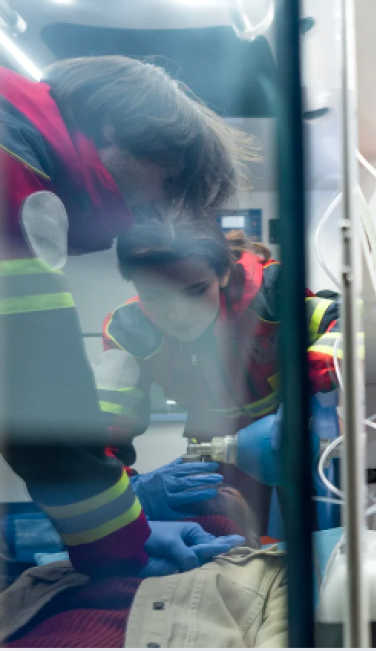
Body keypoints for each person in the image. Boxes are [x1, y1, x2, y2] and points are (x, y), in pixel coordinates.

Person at [0, 55, 254, 579]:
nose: (157, 209)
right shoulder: (12, 162)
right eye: (171, 179)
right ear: (116, 128)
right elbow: (39, 387)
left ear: (225, 277)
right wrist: (124, 530)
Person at [95, 219, 341, 531]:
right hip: (212, 440)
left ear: (223, 273)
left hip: (295, 429)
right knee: (227, 539)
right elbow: (104, 431)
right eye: (155, 297)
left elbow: (345, 323)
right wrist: (127, 490)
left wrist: (307, 385)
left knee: (314, 535)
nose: (178, 314)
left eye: (195, 291)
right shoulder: (129, 331)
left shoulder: (272, 292)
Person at [0, 490, 287, 648]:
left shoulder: (269, 571)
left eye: (229, 488)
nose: (210, 486)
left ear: (253, 537)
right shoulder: (63, 569)